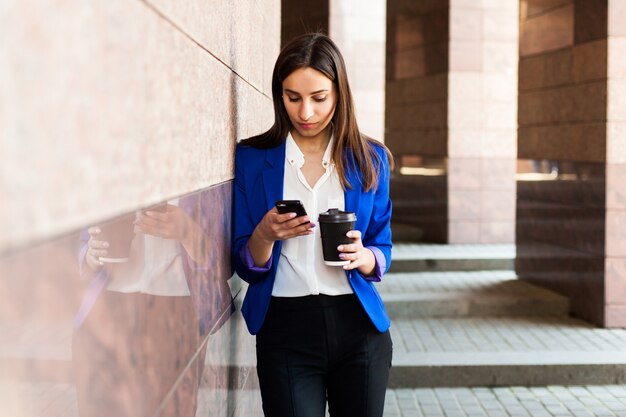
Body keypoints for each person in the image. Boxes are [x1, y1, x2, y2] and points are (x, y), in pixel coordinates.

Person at [232, 32, 394, 417]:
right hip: (284, 330)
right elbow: (243, 263)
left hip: (359, 330)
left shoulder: (371, 159)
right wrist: (265, 234)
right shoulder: (253, 158)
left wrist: (364, 256)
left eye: (319, 98)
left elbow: (382, 246)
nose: (306, 112)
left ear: (339, 94)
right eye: (293, 97)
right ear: (279, 95)